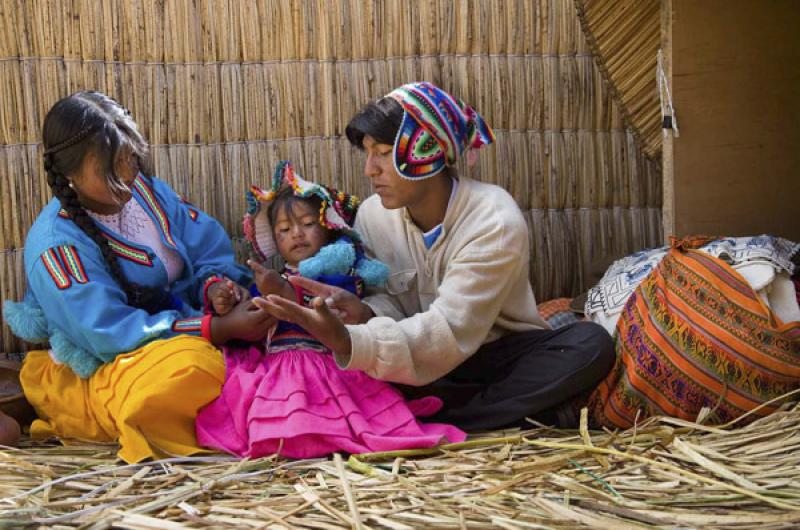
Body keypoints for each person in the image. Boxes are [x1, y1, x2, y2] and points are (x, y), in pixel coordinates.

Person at [255, 81, 616, 431]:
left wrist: (350, 342)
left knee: (588, 344)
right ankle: (491, 416)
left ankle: (436, 420)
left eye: (382, 153)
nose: (369, 170)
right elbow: (391, 301)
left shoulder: (492, 219)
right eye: (368, 154)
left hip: (491, 357)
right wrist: (366, 312)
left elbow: (450, 330)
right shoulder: (372, 215)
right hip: (411, 360)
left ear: (426, 151)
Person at [2, 91, 275, 463]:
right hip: (108, 367)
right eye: (110, 168)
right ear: (69, 174)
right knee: (189, 371)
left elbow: (206, 248)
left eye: (130, 157)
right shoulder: (56, 247)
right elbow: (108, 334)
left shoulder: (144, 191)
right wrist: (217, 329)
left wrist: (216, 290)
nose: (128, 173)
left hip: (194, 326)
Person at [195, 161, 465, 459]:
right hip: (278, 366)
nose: (297, 233)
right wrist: (227, 300)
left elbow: (331, 311)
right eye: (285, 229)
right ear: (274, 238)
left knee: (343, 414)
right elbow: (250, 320)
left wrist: (285, 294)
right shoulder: (269, 278)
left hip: (328, 366)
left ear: (328, 227)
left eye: (308, 224)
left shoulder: (338, 278)